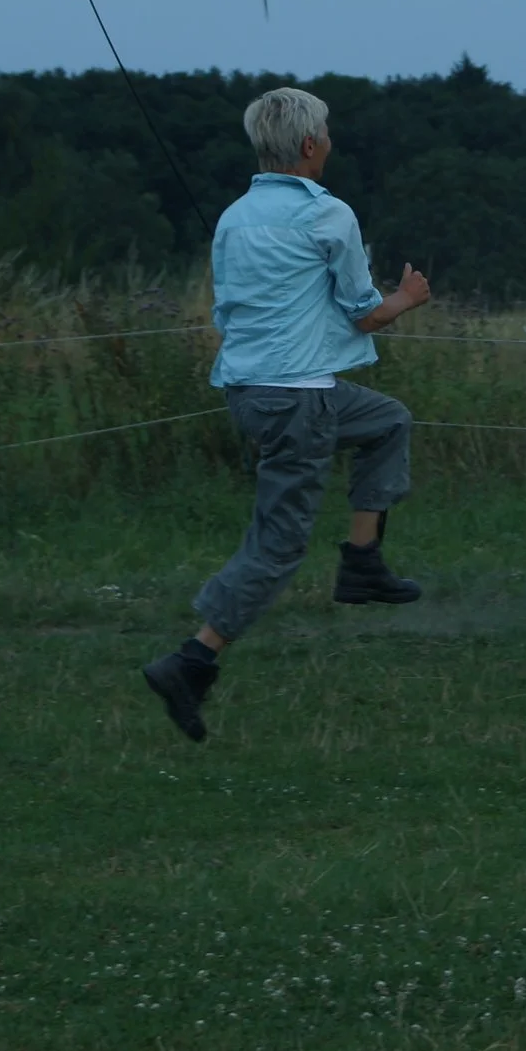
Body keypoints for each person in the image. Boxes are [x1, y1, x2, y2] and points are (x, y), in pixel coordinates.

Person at [141, 86, 432, 742]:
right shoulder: (329, 216)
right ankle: (192, 659)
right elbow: (365, 311)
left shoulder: (235, 217)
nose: (330, 142)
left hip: (252, 391)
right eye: (326, 133)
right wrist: (408, 296)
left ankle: (363, 563)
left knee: (387, 420)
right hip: (300, 397)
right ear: (308, 146)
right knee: (277, 544)